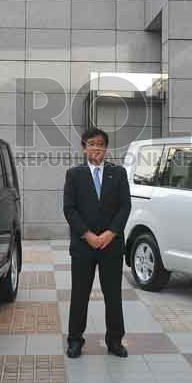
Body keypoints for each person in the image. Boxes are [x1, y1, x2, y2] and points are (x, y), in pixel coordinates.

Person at [63, 127, 131, 358]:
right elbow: (69, 209)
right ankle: (74, 340)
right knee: (79, 294)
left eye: (100, 144)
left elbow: (125, 207)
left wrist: (110, 234)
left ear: (106, 148)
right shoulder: (74, 175)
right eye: (91, 144)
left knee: (113, 295)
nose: (96, 148)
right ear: (84, 148)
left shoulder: (118, 173)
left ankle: (114, 341)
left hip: (111, 246)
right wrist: (88, 235)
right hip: (83, 246)